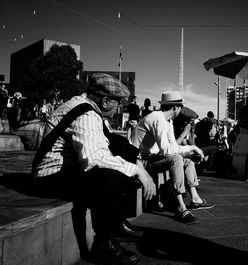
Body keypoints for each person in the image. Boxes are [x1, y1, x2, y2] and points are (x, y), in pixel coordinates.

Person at [32, 73, 156, 265]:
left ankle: (116, 224)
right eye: (118, 103)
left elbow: (108, 145)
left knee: (121, 153)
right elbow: (94, 159)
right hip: (50, 177)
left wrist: (136, 164)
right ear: (106, 101)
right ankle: (102, 245)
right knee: (112, 177)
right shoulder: (87, 115)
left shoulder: (85, 107)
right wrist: (138, 170)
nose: (118, 108)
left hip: (64, 172)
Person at [130, 91, 214, 224]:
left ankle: (195, 198)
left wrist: (190, 153)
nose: (181, 110)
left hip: (152, 157)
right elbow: (167, 150)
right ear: (176, 107)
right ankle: (181, 207)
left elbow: (173, 147)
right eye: (180, 107)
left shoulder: (167, 121)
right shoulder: (157, 118)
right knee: (177, 159)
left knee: (187, 160)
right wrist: (193, 147)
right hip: (139, 160)